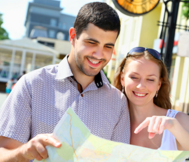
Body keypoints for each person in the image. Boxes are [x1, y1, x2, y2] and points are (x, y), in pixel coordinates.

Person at [0, 2, 130, 162]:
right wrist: (25, 152)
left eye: (108, 46)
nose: (99, 54)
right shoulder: (31, 85)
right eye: (92, 42)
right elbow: (3, 153)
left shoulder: (119, 103)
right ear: (73, 36)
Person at [113, 47, 189, 162]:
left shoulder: (178, 120)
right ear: (122, 79)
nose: (141, 86)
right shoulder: (111, 119)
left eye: (150, 79)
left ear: (159, 84)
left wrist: (174, 127)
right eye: (134, 77)